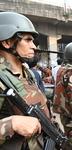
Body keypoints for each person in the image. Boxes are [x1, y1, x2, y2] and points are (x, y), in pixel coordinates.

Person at [0, 12, 50, 149]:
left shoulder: (28, 73)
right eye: (28, 40)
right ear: (7, 42)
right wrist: (11, 124)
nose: (34, 46)